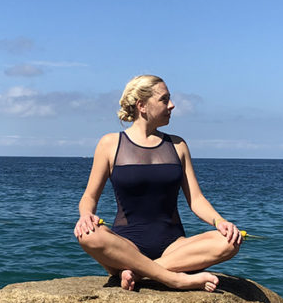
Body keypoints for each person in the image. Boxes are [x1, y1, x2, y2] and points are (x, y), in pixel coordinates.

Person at [74, 75, 242, 292]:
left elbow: (196, 199)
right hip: (126, 246)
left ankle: (139, 273)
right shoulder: (110, 144)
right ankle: (175, 279)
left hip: (175, 247)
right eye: (164, 99)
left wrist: (220, 222)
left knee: (230, 241)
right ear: (142, 105)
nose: (172, 105)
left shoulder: (178, 145)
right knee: (88, 235)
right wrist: (86, 215)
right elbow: (89, 196)